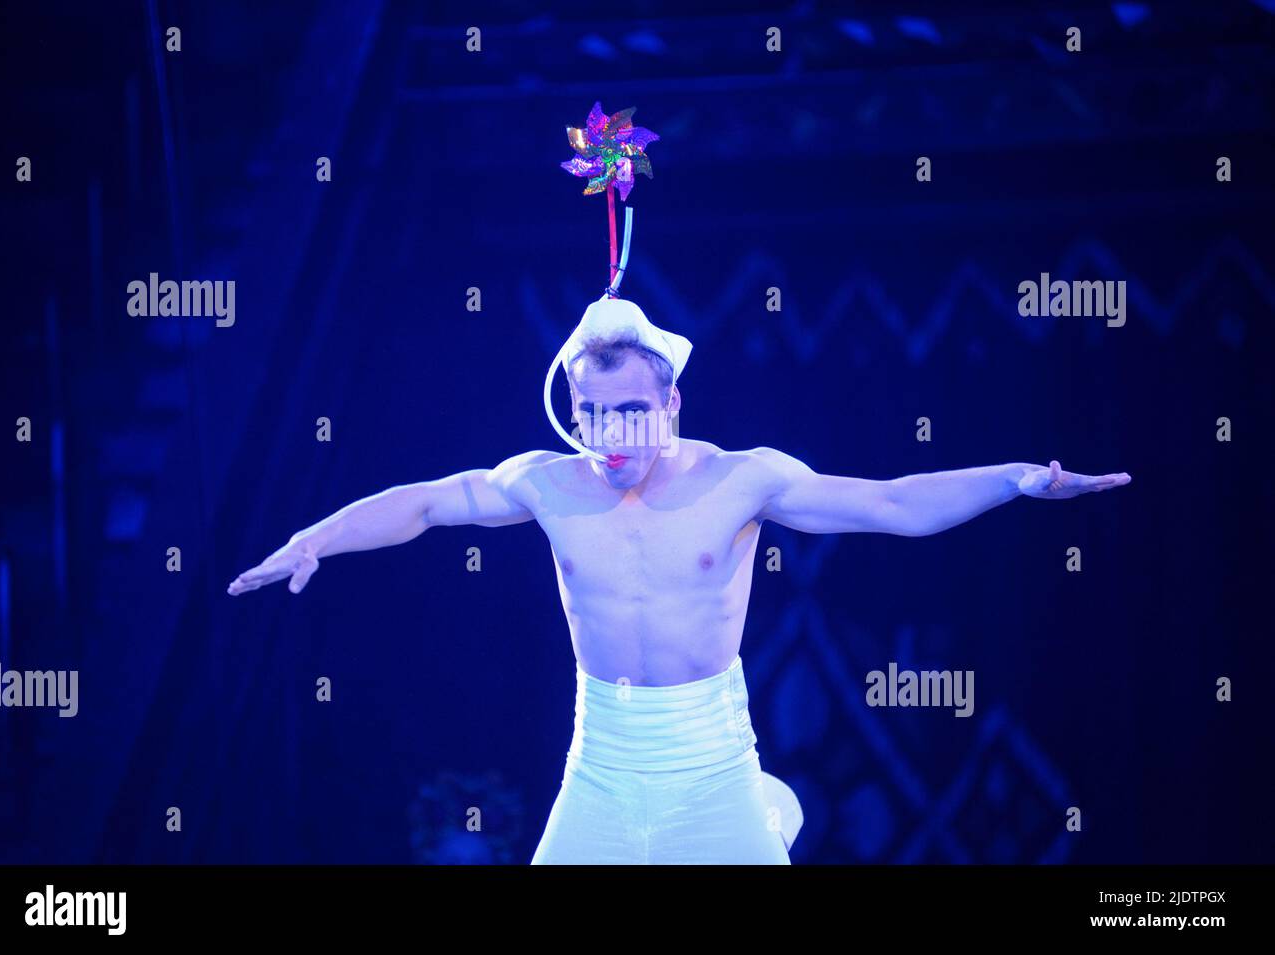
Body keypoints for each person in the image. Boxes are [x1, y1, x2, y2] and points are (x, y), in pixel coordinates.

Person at [227, 295, 1131, 864]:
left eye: (632, 413)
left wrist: (1017, 480)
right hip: (603, 767)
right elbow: (426, 503)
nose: (614, 436)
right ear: (572, 411)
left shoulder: (741, 479)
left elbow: (893, 503)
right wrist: (316, 535)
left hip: (710, 768)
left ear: (670, 405)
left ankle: (764, 816)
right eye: (595, 415)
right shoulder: (546, 483)